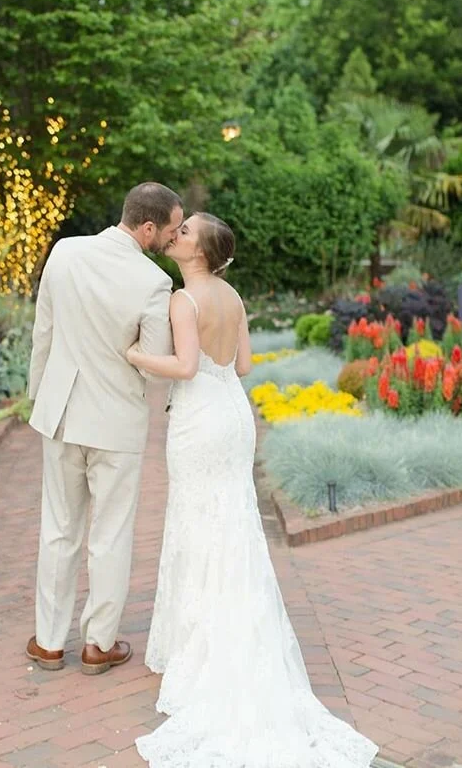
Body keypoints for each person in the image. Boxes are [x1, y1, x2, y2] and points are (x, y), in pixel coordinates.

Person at [126, 212, 379, 767]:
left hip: (198, 420)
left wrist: (136, 356)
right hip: (233, 418)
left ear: (200, 253)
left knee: (197, 520)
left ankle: (200, 648)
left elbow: (185, 367)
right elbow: (241, 365)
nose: (178, 235)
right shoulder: (234, 296)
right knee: (232, 522)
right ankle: (236, 631)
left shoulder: (182, 300)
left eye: (186, 232)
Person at [26, 182, 183, 675]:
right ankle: (99, 644)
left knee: (59, 529)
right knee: (110, 534)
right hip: (116, 420)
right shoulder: (154, 282)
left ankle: (49, 643)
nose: (174, 240)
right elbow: (155, 363)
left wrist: (40, 395)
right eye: (172, 230)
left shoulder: (65, 252)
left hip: (62, 412)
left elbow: (43, 332)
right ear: (149, 226)